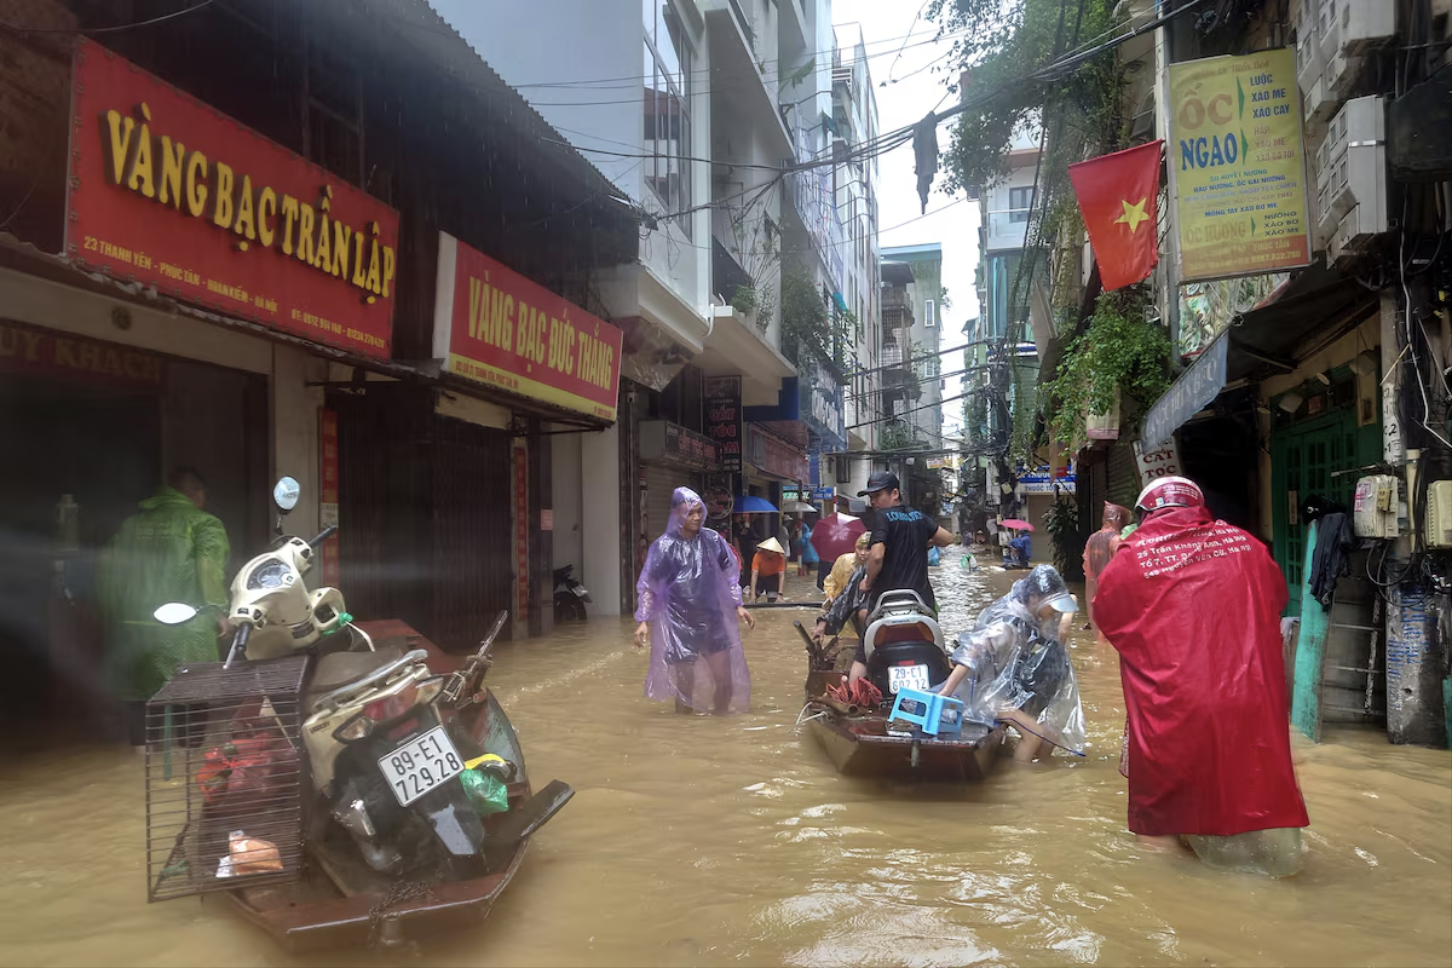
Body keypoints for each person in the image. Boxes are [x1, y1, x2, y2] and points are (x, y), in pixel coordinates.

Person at [1094, 476, 1309, 876]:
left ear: (1145, 513)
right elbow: (1275, 599)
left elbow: (1109, 620)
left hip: (1173, 706)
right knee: (1249, 793)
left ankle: (1177, 909)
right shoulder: (1246, 545)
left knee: (1160, 823)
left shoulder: (1132, 555)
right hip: (1251, 700)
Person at [99, 467, 231, 748]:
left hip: (134, 630)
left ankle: (138, 763)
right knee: (192, 691)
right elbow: (208, 568)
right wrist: (217, 609)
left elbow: (107, 576)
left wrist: (114, 621)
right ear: (195, 493)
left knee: (141, 696)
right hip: (186, 628)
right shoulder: (203, 523)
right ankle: (189, 755)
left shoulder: (130, 525)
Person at [936, 565, 1086, 763]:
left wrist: (1065, 620)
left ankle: (1041, 776)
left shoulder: (1031, 619)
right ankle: (1021, 782)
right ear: (1033, 597)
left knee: (1051, 735)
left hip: (1004, 693)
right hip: (984, 696)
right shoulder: (1006, 626)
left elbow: (1071, 603)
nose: (1056, 610)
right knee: (1033, 734)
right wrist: (945, 693)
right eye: (1053, 604)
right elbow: (969, 654)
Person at [635, 488, 755, 715]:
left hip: (712, 620)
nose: (697, 517)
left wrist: (738, 605)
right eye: (690, 513)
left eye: (699, 512)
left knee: (725, 682)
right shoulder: (664, 547)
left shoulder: (712, 540)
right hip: (680, 624)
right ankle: (685, 735)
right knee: (685, 689)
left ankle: (720, 723)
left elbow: (730, 574)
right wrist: (643, 620)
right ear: (676, 513)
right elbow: (650, 586)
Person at [852, 471, 955, 681]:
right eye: (871, 497)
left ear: (895, 493)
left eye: (877, 495)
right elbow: (948, 539)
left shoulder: (882, 517)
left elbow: (877, 556)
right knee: (938, 649)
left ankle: (855, 704)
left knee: (862, 656)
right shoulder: (919, 517)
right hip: (921, 603)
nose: (873, 502)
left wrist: (867, 582)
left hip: (885, 602)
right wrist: (922, 541)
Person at [1082, 502, 1132, 637]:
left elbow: (1088, 571)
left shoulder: (1092, 539)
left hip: (1095, 593)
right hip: (1112, 595)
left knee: (1100, 634)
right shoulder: (1117, 540)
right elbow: (1124, 572)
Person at [823, 532, 871, 604]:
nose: (863, 553)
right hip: (841, 601)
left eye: (867, 549)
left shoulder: (877, 564)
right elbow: (831, 580)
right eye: (860, 548)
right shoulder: (844, 560)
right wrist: (830, 596)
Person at [750, 536, 788, 603]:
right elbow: (754, 575)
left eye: (772, 551)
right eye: (768, 550)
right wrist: (752, 594)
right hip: (760, 577)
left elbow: (781, 576)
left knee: (772, 599)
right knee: (754, 596)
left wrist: (780, 594)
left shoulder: (780, 558)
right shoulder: (758, 556)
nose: (769, 552)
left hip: (773, 578)